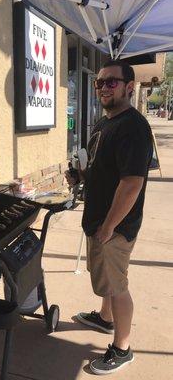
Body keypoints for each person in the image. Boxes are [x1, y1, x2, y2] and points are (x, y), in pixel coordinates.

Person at [66, 60, 153, 375]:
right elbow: (103, 171)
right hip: (99, 220)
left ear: (129, 87)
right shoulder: (105, 124)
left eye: (111, 82)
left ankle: (123, 348)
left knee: (117, 285)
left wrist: (108, 227)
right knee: (105, 277)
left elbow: (131, 184)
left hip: (114, 226)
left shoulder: (134, 127)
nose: (103, 87)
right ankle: (105, 319)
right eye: (99, 82)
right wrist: (80, 175)